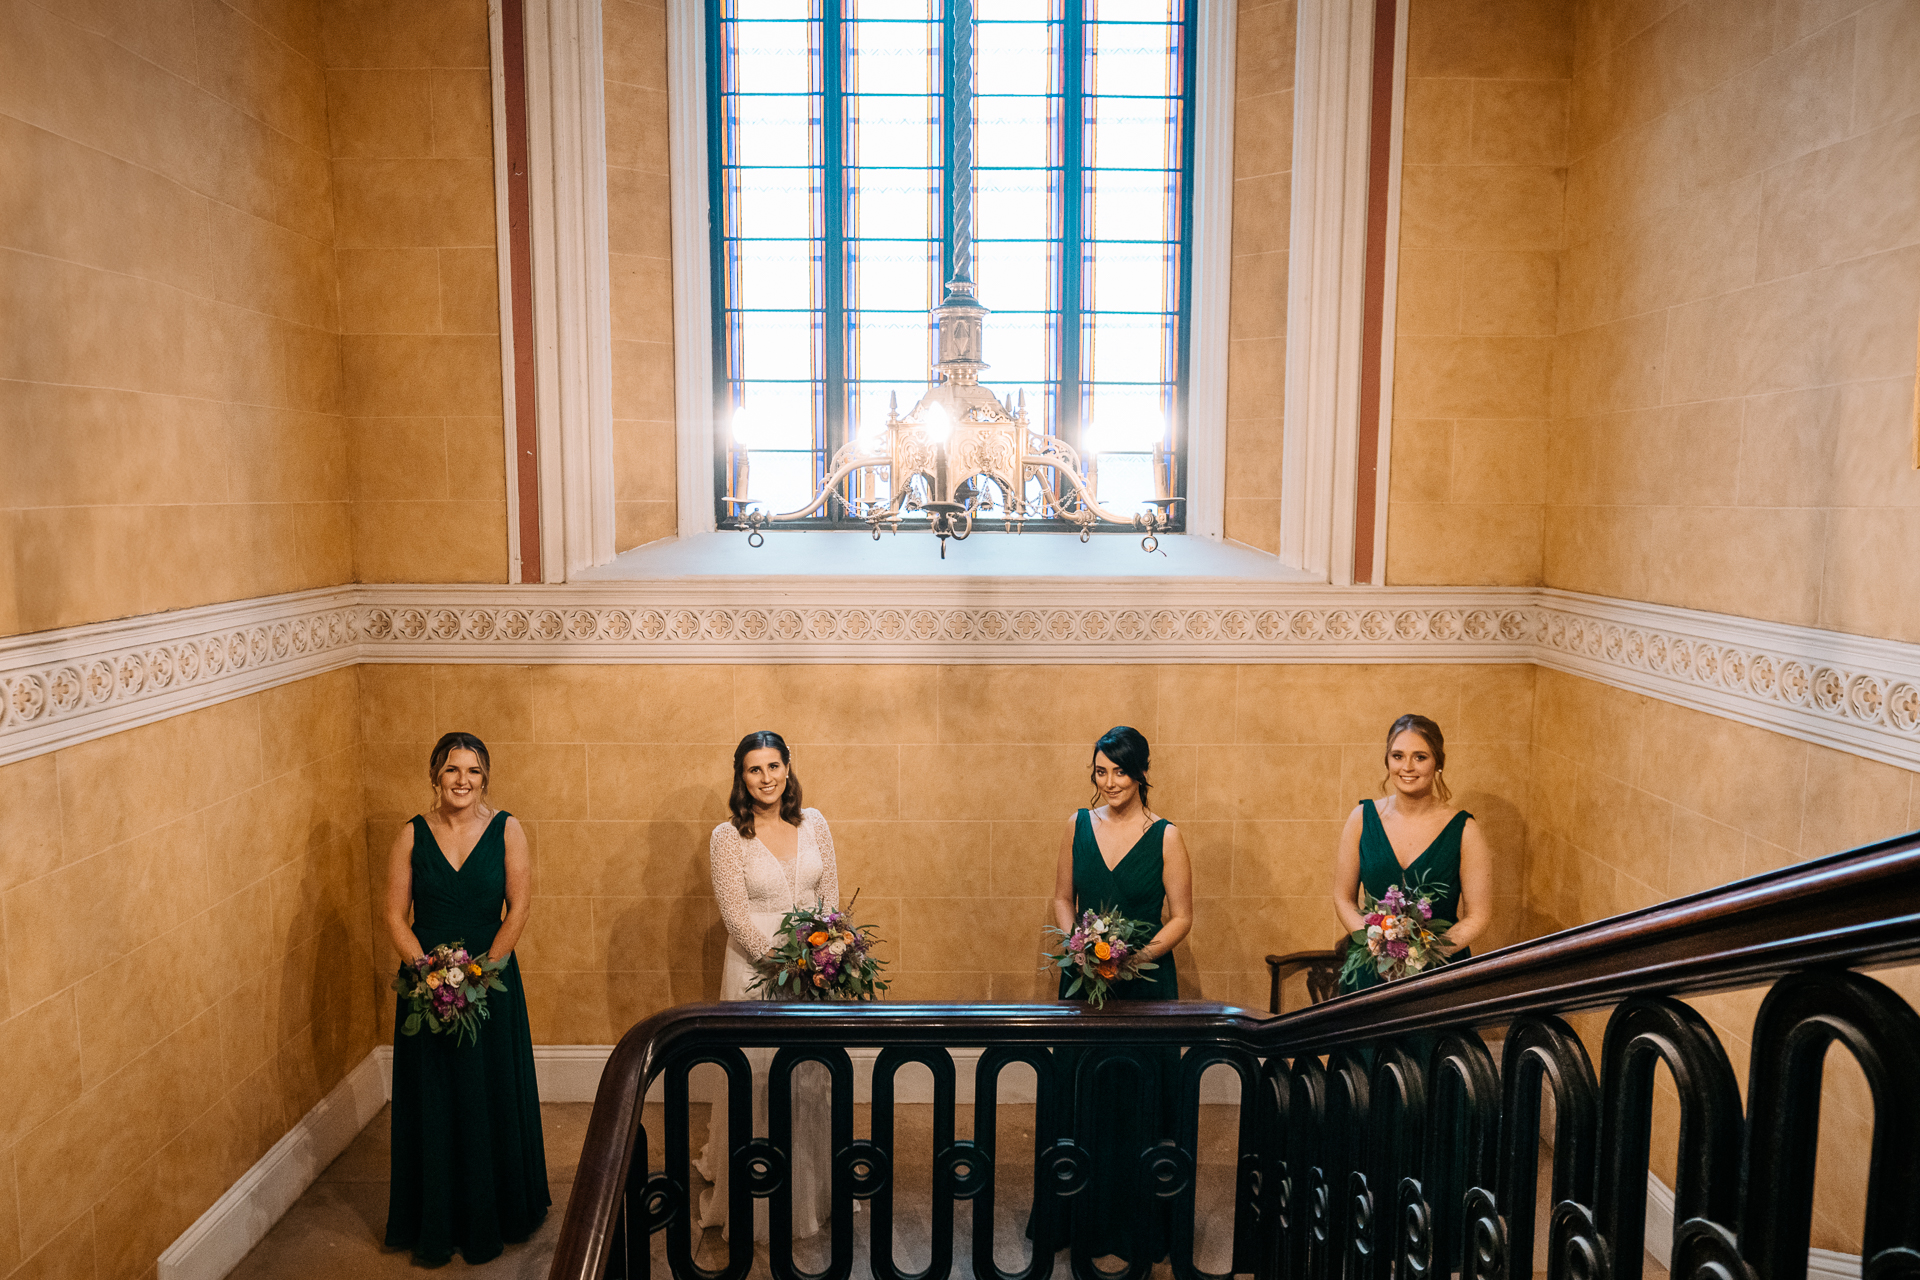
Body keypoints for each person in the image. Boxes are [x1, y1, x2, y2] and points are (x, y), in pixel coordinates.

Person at [383, 732, 549, 1264]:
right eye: (452, 770)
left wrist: (480, 973)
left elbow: (519, 907)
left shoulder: (508, 830)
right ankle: (434, 1219)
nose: (463, 781)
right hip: (426, 985)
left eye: (473, 771)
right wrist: (429, 973)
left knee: (489, 1090)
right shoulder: (410, 835)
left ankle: (497, 1212)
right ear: (436, 776)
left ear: (485, 778)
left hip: (491, 983)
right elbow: (394, 915)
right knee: (434, 1096)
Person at [1038, 725, 1193, 1264]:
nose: (1109, 782)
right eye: (1101, 772)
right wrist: (1078, 944)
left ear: (1141, 773)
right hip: (1084, 981)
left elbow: (1182, 918)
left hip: (1145, 984)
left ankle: (1138, 1224)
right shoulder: (1077, 825)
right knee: (1082, 1098)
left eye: (1120, 772)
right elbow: (1062, 898)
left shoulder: (1167, 835)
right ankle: (1075, 1217)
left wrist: (1132, 958)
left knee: (1137, 1104)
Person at [696, 731, 839, 1241]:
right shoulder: (727, 836)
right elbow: (735, 916)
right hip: (755, 974)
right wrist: (784, 963)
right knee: (756, 1079)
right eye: (755, 770)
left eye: (774, 766)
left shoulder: (815, 823)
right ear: (741, 776)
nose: (766, 778)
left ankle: (810, 1190)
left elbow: (830, 896)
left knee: (807, 1080)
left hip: (813, 971)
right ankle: (754, 1195)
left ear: (788, 766)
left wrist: (822, 953)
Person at [1331, 713, 1494, 994]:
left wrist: (1424, 953)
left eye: (1420, 757)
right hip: (1369, 974)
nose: (1407, 767)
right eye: (1398, 756)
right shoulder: (1361, 818)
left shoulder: (1465, 830)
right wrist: (1375, 942)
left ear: (1438, 763)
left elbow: (1478, 915)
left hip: (1438, 976)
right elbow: (1343, 897)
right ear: (1387, 761)